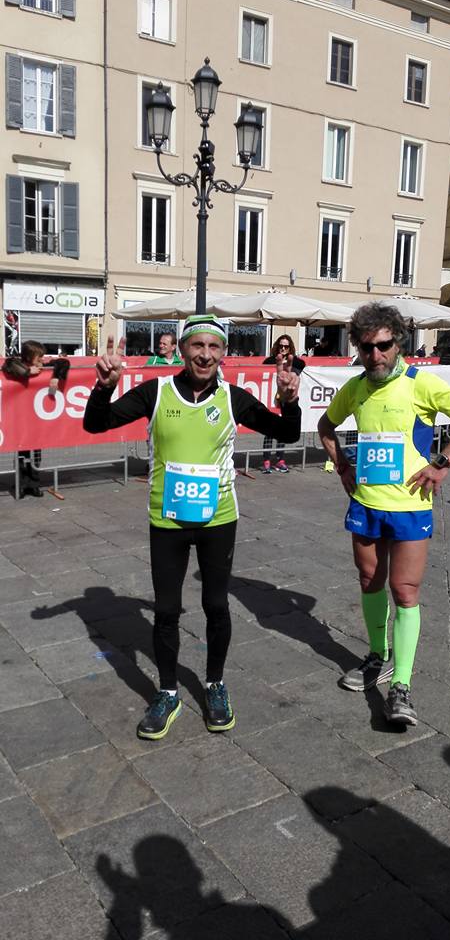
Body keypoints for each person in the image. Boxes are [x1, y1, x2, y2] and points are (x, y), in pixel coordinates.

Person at [83, 314, 301, 740]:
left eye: (213, 347)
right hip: (167, 521)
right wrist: (104, 387)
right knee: (166, 610)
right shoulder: (156, 391)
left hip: (218, 519)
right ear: (182, 350)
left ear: (223, 353)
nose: (205, 354)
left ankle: (215, 685)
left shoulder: (233, 398)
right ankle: (168, 693)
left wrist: (289, 401)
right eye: (197, 346)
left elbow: (287, 434)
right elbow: (96, 423)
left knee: (216, 605)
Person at [317, 303, 450, 726]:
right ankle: (378, 656)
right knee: (369, 582)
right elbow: (325, 425)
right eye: (366, 348)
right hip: (366, 503)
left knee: (405, 591)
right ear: (358, 348)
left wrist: (443, 463)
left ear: (398, 343)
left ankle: (402, 686)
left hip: (411, 506)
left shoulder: (420, 383)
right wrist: (342, 464)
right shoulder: (356, 387)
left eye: (383, 346)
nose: (375, 355)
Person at [2, 341, 68, 497]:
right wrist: (26, 372)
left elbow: (63, 362)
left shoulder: (43, 366)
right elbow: (8, 365)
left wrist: (56, 377)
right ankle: (21, 485)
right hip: (20, 418)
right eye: (39, 357)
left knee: (36, 454)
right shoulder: (16, 365)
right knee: (22, 454)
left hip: (36, 418)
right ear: (28, 357)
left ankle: (34, 484)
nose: (42, 360)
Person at [262, 335, 305, 473]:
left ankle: (280, 459)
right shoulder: (270, 361)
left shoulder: (295, 362)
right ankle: (266, 459)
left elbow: (303, 365)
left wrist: (291, 367)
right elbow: (262, 371)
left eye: (286, 346)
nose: (283, 348)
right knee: (269, 430)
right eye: (281, 345)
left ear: (290, 347)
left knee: (282, 430)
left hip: (285, 400)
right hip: (271, 398)